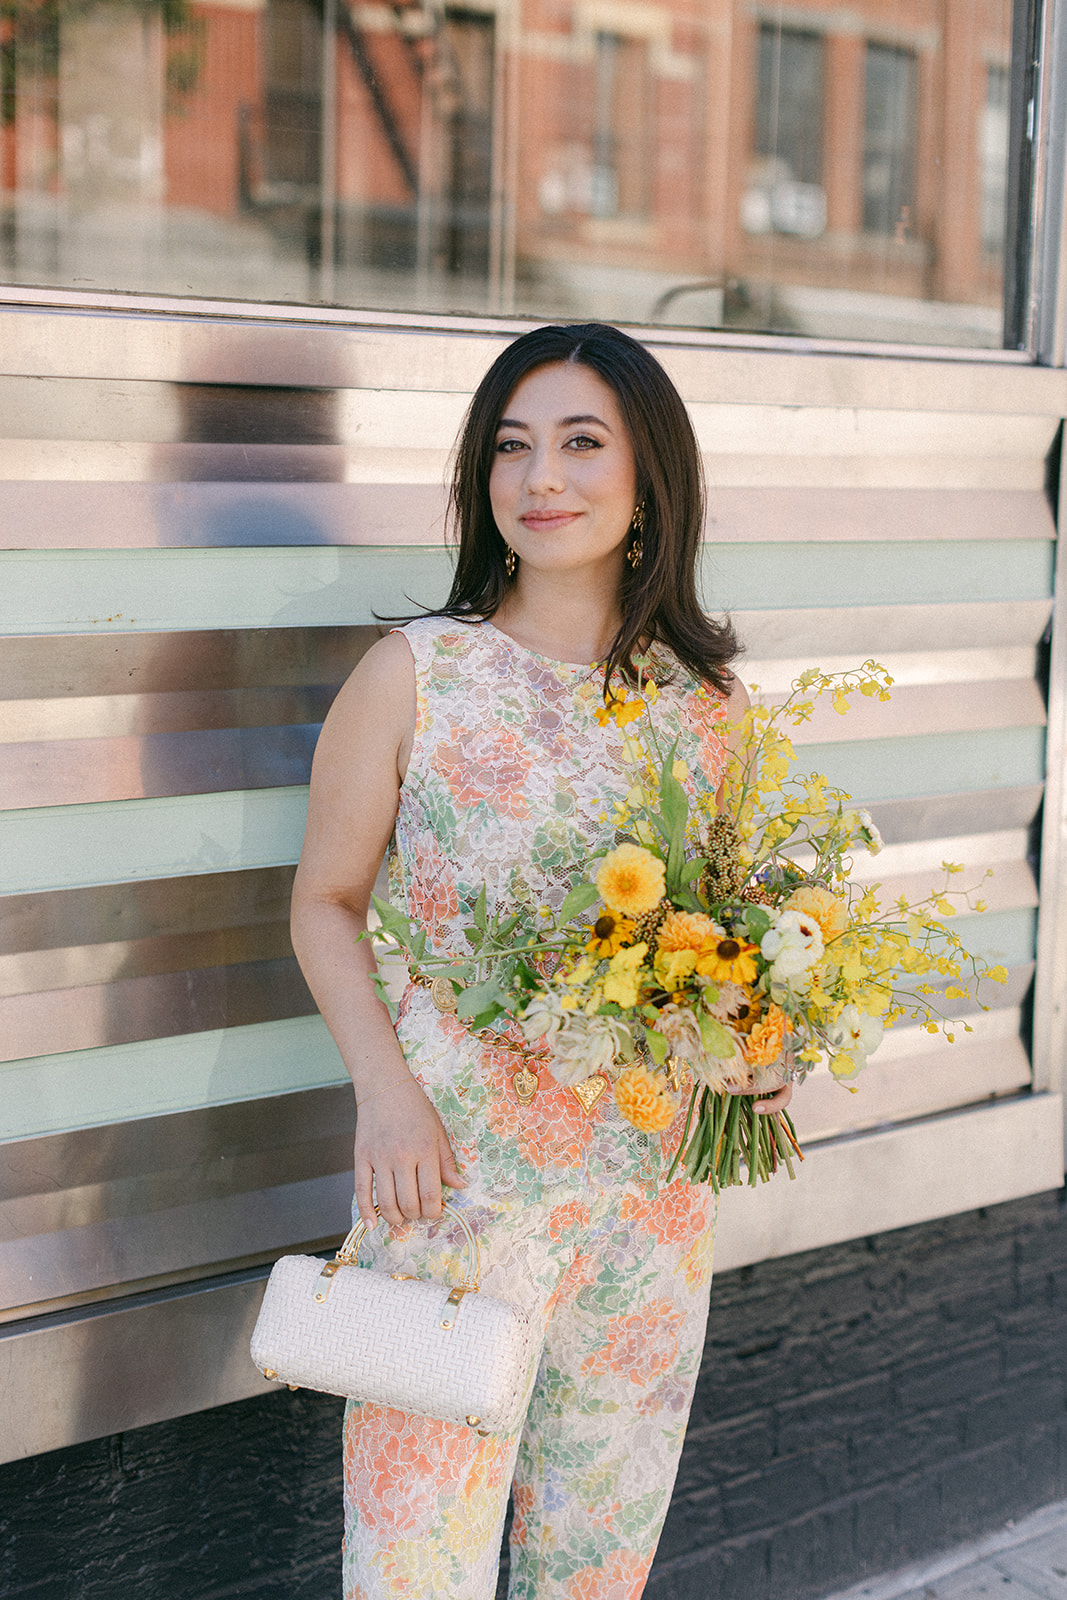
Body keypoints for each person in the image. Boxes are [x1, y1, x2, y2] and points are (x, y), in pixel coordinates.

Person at [290, 322, 793, 1600]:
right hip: (450, 1191)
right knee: (416, 1568)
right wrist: (384, 1090)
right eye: (511, 446)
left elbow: (730, 941)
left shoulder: (704, 704)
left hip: (647, 1199)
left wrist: (759, 1046)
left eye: (580, 442)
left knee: (593, 1565)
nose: (540, 477)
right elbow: (325, 901)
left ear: (647, 481)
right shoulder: (417, 675)